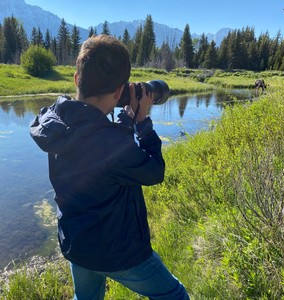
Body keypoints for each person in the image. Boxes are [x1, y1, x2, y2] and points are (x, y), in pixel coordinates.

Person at [30, 34, 190, 300]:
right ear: (119, 91)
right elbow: (154, 171)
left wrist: (125, 122)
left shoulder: (57, 123)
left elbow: (101, 153)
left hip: (77, 244)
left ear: (76, 79)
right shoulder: (109, 141)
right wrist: (142, 124)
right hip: (119, 252)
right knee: (174, 295)